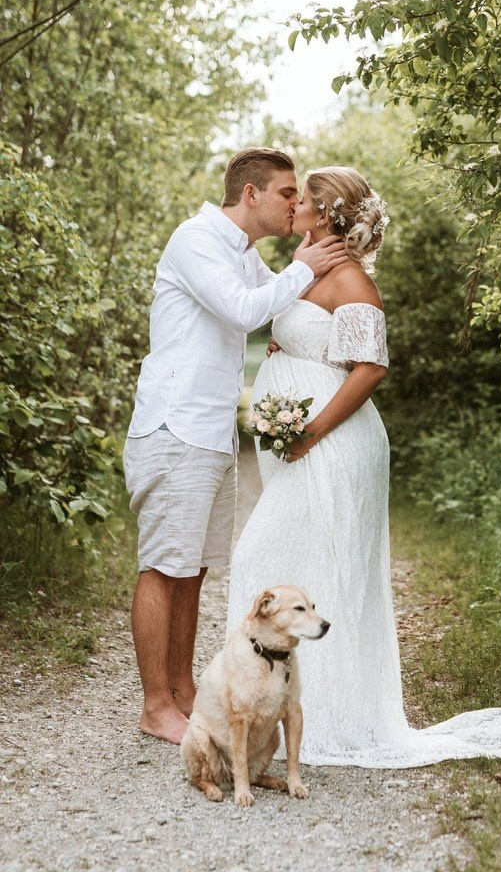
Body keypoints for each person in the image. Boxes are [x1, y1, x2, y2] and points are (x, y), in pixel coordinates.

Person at [226, 166, 501, 767]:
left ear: (325, 213)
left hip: (334, 448)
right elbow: (315, 340)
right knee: (297, 561)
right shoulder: (312, 269)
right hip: (304, 448)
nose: (292, 204)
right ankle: (279, 713)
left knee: (275, 562)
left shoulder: (352, 281)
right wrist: (283, 344)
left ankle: (327, 720)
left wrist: (310, 432)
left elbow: (368, 370)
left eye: (302, 198)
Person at [124, 147, 348, 744]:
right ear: (251, 194)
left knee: (193, 569)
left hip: (210, 431)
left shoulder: (241, 253)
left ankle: (183, 694)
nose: (295, 204)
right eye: (286, 193)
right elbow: (243, 309)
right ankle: (154, 706)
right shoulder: (196, 239)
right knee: (163, 565)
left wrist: (292, 338)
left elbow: (274, 306)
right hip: (174, 427)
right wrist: (303, 266)